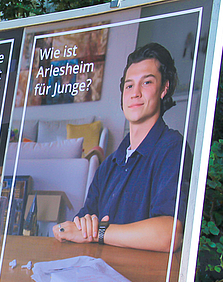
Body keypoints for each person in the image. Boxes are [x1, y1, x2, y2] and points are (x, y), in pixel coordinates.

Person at [53, 43, 189, 253]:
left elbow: (169, 234)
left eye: (147, 82)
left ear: (164, 89)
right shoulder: (109, 164)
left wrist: (99, 232)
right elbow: (80, 226)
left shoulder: (172, 148)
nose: (135, 93)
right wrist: (68, 229)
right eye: (129, 85)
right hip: (100, 276)